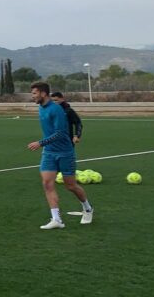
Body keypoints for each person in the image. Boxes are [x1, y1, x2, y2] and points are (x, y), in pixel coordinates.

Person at [28, 81, 93, 229]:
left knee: (70, 185)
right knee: (47, 183)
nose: (33, 96)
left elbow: (60, 133)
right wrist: (45, 145)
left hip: (64, 153)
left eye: (34, 93)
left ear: (43, 93)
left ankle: (88, 208)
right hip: (49, 153)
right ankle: (56, 219)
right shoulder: (41, 108)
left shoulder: (56, 109)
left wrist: (40, 143)